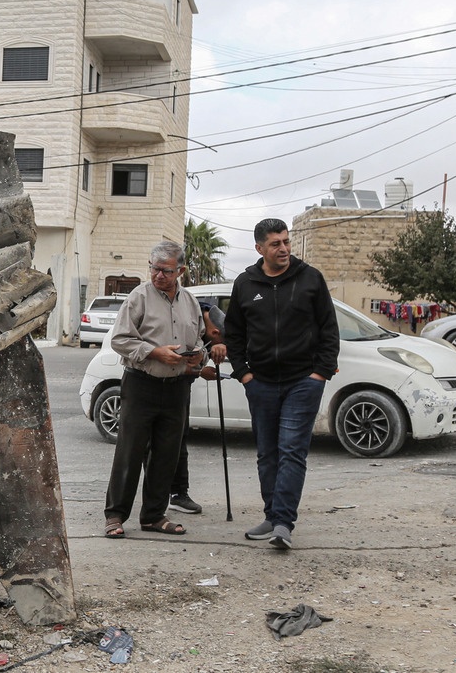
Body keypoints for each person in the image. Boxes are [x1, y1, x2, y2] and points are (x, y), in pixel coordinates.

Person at [220, 219, 339, 550]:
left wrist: (320, 373)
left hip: (303, 381)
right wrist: (244, 375)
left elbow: (329, 329)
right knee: (267, 453)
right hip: (261, 384)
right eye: (275, 244)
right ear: (260, 248)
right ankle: (272, 516)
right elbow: (234, 333)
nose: (284, 248)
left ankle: (284, 523)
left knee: (291, 450)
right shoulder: (245, 283)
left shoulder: (310, 278)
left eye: (286, 241)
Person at [103, 241, 215, 538]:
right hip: (142, 383)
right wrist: (155, 352)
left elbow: (200, 340)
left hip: (177, 386)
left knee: (167, 453)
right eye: (154, 268)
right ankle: (115, 515)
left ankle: (154, 515)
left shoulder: (190, 302)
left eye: (165, 270)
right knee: (130, 450)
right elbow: (120, 340)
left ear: (181, 270)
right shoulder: (138, 298)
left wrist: (199, 358)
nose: (158, 275)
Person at [168, 300, 225, 515]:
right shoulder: (187, 315)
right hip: (163, 386)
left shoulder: (204, 320)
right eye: (218, 339)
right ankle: (169, 494)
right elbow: (172, 363)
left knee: (180, 440)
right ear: (215, 331)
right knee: (166, 443)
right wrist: (200, 372)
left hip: (181, 389)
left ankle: (178, 493)